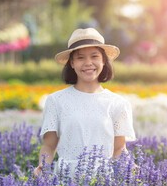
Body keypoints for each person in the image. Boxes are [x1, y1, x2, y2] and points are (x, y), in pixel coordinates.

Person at [34, 28, 136, 178]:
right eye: (80, 58)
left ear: (103, 61)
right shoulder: (56, 101)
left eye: (94, 56)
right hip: (66, 180)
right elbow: (49, 145)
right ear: (72, 63)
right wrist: (43, 167)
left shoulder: (117, 103)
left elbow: (119, 148)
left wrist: (129, 167)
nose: (88, 63)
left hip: (103, 182)